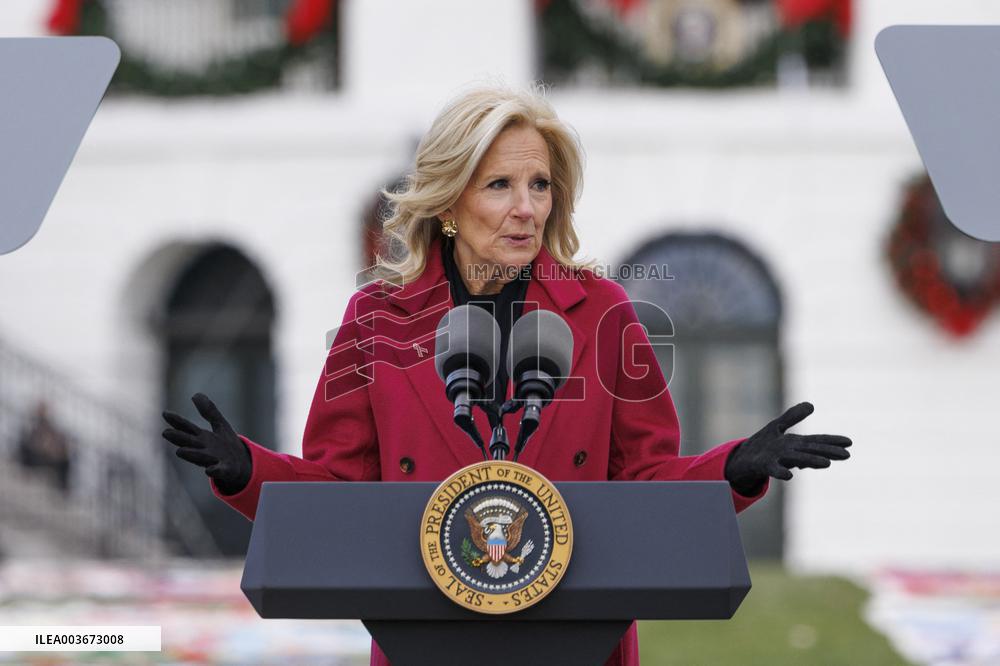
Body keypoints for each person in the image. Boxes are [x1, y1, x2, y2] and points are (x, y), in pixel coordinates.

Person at [161, 83, 852, 666]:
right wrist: (246, 471)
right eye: (500, 185)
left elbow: (645, 477)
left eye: (539, 185)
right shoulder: (374, 319)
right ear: (448, 201)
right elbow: (341, 488)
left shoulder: (604, 312)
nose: (527, 208)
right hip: (426, 633)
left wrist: (733, 468)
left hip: (578, 634)